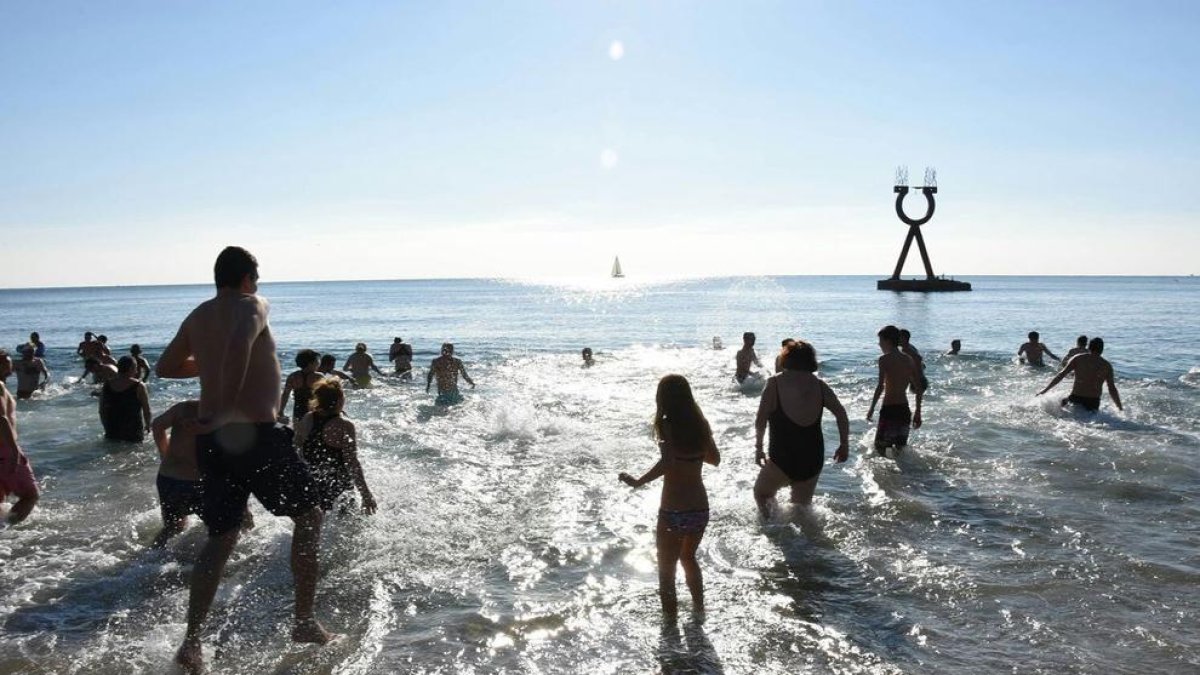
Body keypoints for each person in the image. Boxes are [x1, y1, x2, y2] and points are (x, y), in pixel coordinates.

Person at [156, 246, 332, 672]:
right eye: (257, 277)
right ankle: (304, 622)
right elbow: (238, 345)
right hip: (255, 434)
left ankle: (191, 644)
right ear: (249, 277)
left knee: (221, 537)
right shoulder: (254, 303)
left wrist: (211, 371)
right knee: (309, 515)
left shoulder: (198, 315)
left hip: (213, 443)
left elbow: (166, 366)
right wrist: (222, 406)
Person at [618, 374, 720, 618]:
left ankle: (670, 625)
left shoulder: (666, 424)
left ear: (663, 398)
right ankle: (699, 613)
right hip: (699, 509)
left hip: (674, 510)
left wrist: (638, 481)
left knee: (666, 569)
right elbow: (714, 459)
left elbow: (668, 462)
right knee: (689, 559)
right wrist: (693, 450)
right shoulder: (701, 423)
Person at [753, 341, 850, 516]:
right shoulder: (820, 385)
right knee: (801, 509)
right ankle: (803, 534)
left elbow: (761, 419)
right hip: (812, 458)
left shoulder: (774, 383)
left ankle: (772, 526)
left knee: (762, 494)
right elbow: (841, 414)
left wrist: (758, 448)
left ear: (786, 358)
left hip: (783, 456)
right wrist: (844, 445)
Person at [150, 400, 253, 548]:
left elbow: (157, 425)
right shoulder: (228, 414)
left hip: (169, 479)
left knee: (173, 528)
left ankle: (149, 557)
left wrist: (164, 453)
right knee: (235, 527)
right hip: (202, 484)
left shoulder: (184, 408)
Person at [294, 379, 377, 514]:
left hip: (313, 481)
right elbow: (352, 462)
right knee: (347, 522)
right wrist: (366, 494)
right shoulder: (344, 425)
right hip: (340, 485)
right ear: (339, 401)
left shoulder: (308, 418)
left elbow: (297, 448)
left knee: (314, 520)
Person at [866, 325, 923, 456]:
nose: (879, 344)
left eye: (880, 340)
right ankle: (908, 470)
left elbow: (880, 387)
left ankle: (887, 470)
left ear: (887, 341)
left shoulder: (884, 360)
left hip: (889, 410)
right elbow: (919, 388)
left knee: (880, 448)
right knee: (900, 450)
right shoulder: (908, 359)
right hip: (904, 410)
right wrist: (918, 412)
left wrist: (871, 408)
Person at [0, 351, 39, 524]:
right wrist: (14, 451)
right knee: (31, 495)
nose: (11, 368)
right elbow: (2, 418)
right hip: (5, 449)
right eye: (7, 365)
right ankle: (6, 530)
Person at [1038, 337, 1123, 412]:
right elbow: (1112, 388)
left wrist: (1045, 390)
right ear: (1102, 349)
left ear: (1089, 347)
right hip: (1093, 402)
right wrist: (1119, 407)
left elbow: (1061, 375)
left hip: (1076, 398)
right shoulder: (1106, 365)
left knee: (1060, 406)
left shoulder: (1078, 358)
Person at [99, 356, 152, 442]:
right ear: (131, 368)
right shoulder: (139, 386)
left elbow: (101, 410)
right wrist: (148, 426)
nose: (137, 371)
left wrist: (106, 427)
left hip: (112, 429)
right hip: (133, 430)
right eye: (135, 367)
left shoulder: (107, 385)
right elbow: (146, 409)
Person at [280, 350, 323, 424]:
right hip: (313, 409)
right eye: (317, 361)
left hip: (298, 409)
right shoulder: (318, 376)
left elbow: (285, 395)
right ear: (310, 363)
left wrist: (281, 411)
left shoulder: (293, 376)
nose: (319, 363)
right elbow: (325, 395)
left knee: (298, 428)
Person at [898, 328, 928, 393]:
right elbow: (923, 365)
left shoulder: (906, 350)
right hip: (920, 378)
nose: (896, 340)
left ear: (904, 338)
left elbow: (919, 358)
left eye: (898, 338)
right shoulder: (910, 346)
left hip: (918, 379)